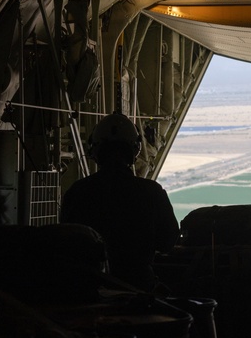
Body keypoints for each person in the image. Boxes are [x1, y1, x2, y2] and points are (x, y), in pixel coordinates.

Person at [60, 112, 179, 292]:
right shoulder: (152, 192)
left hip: (87, 290)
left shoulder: (77, 192)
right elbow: (168, 241)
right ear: (134, 150)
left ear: (96, 151)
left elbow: (67, 242)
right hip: (138, 291)